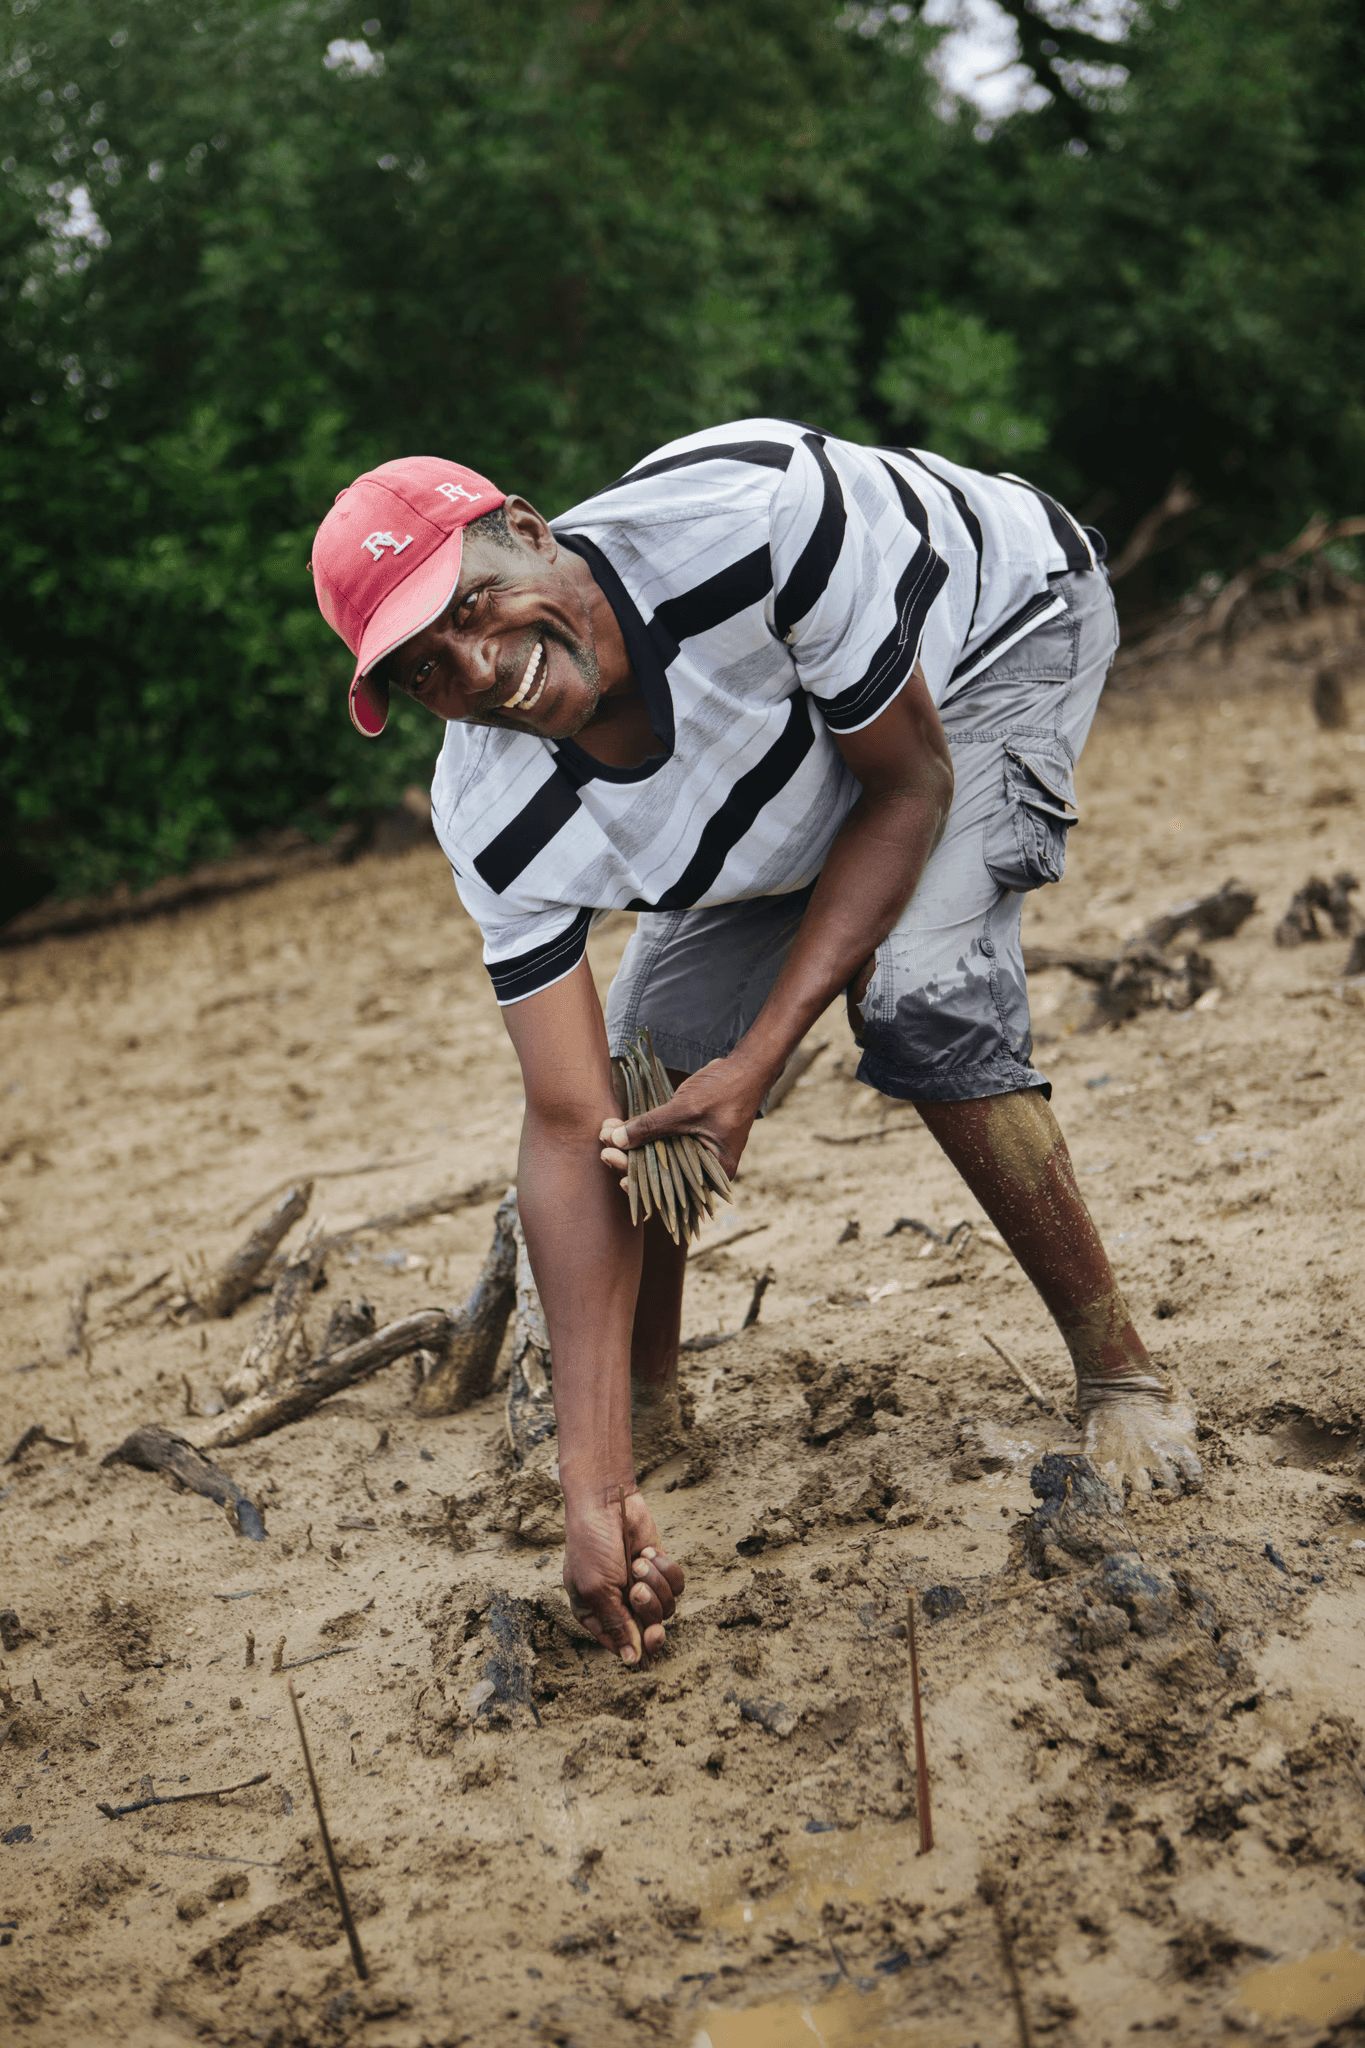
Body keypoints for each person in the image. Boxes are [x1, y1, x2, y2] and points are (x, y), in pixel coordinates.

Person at [309, 423, 1202, 1667]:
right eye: (424, 668)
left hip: (993, 635)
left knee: (918, 992)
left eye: (471, 605)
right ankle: (649, 1411)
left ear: (528, 528)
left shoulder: (752, 524)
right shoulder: (488, 809)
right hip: (815, 751)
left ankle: (1123, 1377)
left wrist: (765, 1053)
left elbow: (905, 787)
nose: (475, 665)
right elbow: (568, 1121)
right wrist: (592, 1485)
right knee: (642, 1068)